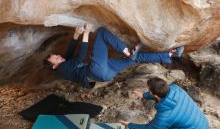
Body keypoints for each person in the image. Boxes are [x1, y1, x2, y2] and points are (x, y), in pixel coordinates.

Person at [44, 22, 184, 89]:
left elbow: (70, 52)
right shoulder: (62, 70)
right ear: (54, 65)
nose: (59, 56)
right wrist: (86, 33)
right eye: (56, 58)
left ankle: (170, 55)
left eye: (56, 55)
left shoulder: (63, 65)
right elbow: (79, 56)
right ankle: (127, 52)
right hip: (95, 71)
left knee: (137, 57)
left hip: (106, 73)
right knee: (102, 32)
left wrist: (76, 34)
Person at [119, 77, 210, 129]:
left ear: (155, 95)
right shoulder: (175, 88)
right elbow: (160, 93)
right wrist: (143, 95)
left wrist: (129, 125)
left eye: (148, 90)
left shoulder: (165, 116)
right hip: (202, 126)